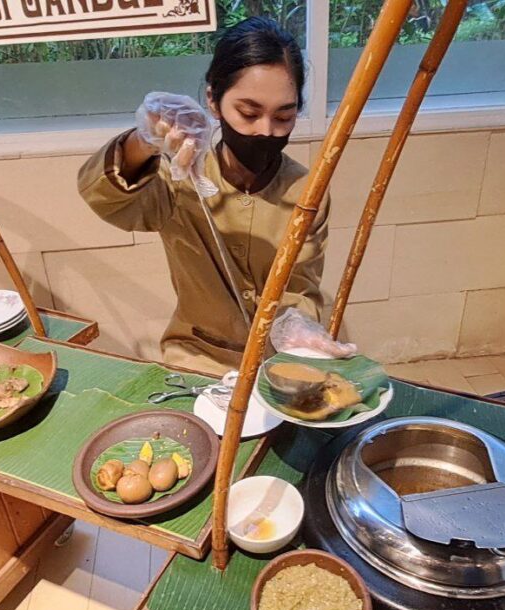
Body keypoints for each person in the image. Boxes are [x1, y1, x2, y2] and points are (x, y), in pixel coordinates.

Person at [78, 16, 329, 376]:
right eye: (248, 112)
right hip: (196, 359)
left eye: (284, 117)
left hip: (277, 363)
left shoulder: (307, 192)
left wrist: (298, 326)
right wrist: (142, 142)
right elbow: (108, 200)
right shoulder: (179, 178)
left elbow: (301, 288)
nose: (266, 131)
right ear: (213, 100)